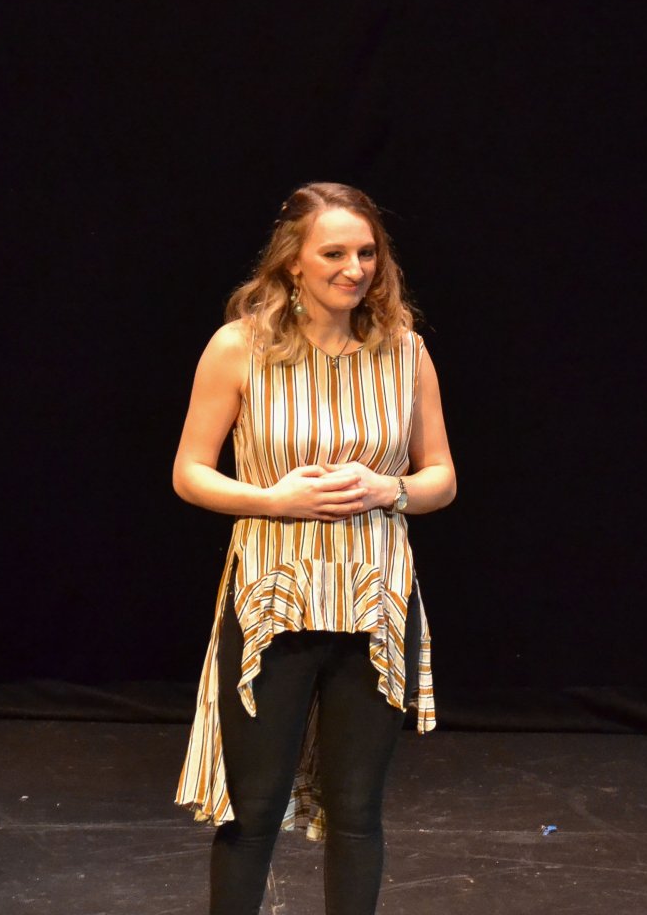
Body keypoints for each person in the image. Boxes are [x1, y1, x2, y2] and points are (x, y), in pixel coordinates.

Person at [172, 182, 457, 915]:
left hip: (374, 601)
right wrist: (273, 500)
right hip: (275, 600)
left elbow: (442, 479)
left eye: (366, 252)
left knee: (358, 813)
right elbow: (190, 473)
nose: (354, 268)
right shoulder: (241, 348)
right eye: (334, 253)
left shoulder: (404, 352)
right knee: (254, 807)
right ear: (293, 262)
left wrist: (386, 489)